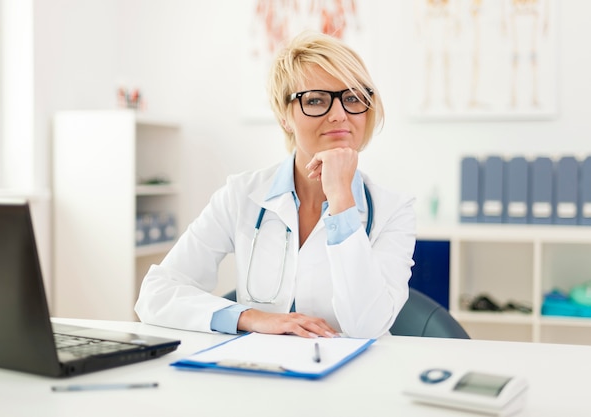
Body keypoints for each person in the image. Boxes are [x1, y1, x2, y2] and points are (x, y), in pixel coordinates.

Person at [134, 31, 416, 339]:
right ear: (285, 117)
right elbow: (155, 294)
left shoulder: (394, 210)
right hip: (262, 373)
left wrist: (341, 199)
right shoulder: (240, 195)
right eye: (316, 100)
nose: (339, 115)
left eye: (352, 98)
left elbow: (366, 327)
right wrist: (251, 318)